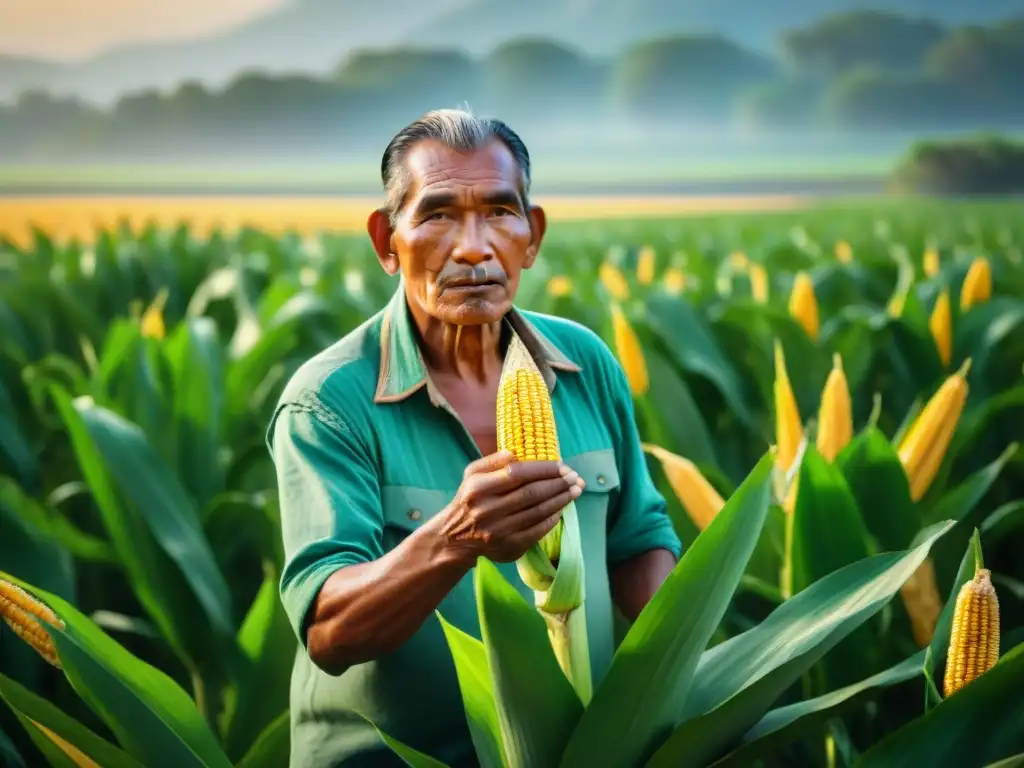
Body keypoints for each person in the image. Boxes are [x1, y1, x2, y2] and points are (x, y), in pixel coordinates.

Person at [267, 108, 682, 767]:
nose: (472, 247)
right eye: (436, 216)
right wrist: (455, 536)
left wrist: (668, 689)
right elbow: (328, 628)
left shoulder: (586, 364)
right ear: (386, 240)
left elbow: (637, 544)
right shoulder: (329, 404)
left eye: (498, 212)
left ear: (532, 234)